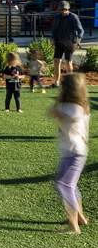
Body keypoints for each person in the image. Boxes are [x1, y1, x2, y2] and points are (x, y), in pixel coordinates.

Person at [48, 73, 90, 234]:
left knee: (64, 184)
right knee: (70, 185)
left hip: (74, 152)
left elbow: (52, 112)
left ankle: (74, 226)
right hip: (73, 151)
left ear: (66, 90)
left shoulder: (71, 108)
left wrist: (58, 101)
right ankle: (80, 217)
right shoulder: (82, 106)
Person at [51, 1, 84, 88]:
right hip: (59, 41)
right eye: (62, 9)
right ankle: (56, 82)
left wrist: (77, 42)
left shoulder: (73, 17)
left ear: (68, 9)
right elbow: (54, 29)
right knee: (56, 60)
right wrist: (53, 40)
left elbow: (80, 30)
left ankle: (70, 82)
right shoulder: (57, 17)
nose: (63, 11)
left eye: (65, 9)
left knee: (68, 62)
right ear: (59, 9)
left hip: (70, 42)